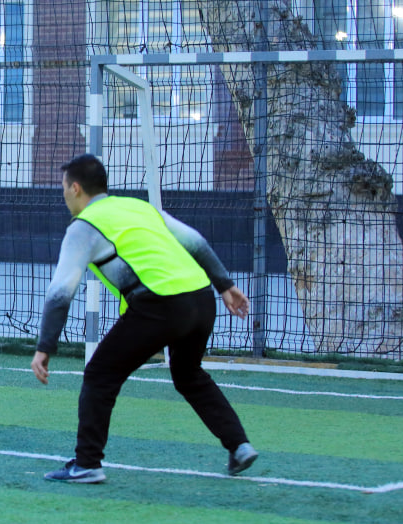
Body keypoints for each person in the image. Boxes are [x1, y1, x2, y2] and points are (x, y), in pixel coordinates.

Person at [31, 153, 258, 484]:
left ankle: (87, 464)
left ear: (76, 188)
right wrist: (225, 285)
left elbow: (60, 292)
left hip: (160, 304)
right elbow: (196, 242)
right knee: (189, 374)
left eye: (64, 188)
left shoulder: (83, 227)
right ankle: (240, 446)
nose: (63, 194)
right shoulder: (139, 207)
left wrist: (44, 346)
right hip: (201, 297)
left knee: (99, 374)